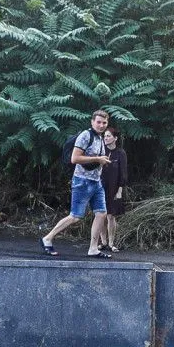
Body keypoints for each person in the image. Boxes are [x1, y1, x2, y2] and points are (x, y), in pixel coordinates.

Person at [41, 109, 114, 258]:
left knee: (101, 213)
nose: (101, 125)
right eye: (98, 122)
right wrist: (97, 159)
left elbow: (95, 158)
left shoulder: (100, 138)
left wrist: (102, 161)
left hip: (96, 181)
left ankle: (93, 248)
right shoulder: (85, 136)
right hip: (82, 181)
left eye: (104, 123)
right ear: (92, 122)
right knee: (75, 216)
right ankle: (47, 238)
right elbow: (75, 159)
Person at [101, 127, 129, 253]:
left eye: (108, 136)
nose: (106, 138)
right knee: (100, 215)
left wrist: (119, 191)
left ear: (115, 138)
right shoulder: (101, 150)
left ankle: (111, 243)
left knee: (111, 216)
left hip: (114, 187)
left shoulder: (120, 153)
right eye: (105, 136)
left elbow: (123, 173)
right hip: (100, 186)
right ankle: (103, 242)